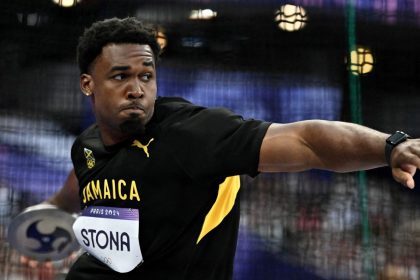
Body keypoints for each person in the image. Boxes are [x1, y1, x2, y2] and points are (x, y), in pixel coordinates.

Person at [33, 17, 419, 279]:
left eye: (146, 76)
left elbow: (308, 140)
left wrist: (390, 146)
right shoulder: (86, 146)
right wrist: (51, 209)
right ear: (87, 85)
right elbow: (82, 182)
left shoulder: (191, 133)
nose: (137, 89)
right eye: (120, 76)